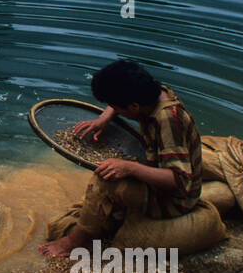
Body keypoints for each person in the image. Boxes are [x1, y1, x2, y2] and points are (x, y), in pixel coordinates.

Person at [39, 60, 202, 257]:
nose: (112, 109)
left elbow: (180, 180)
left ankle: (76, 242)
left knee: (103, 180)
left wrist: (130, 168)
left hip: (175, 200)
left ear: (134, 106)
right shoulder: (155, 92)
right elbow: (122, 103)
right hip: (156, 168)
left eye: (115, 106)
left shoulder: (167, 120)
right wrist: (104, 118)